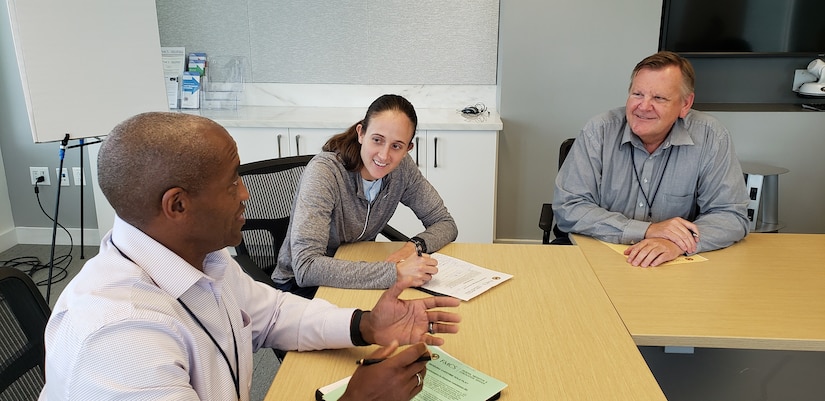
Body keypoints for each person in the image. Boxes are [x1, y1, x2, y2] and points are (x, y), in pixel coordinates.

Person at [39, 112, 461, 401]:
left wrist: (366, 324)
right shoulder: (116, 337)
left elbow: (274, 314)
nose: (246, 193)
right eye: (232, 182)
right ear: (177, 206)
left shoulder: (206, 260)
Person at [552, 51, 749, 267]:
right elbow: (569, 207)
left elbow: (730, 215)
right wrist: (647, 230)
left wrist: (679, 244)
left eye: (659, 98)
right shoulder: (598, 131)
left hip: (670, 264)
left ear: (685, 104)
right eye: (637, 94)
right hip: (596, 255)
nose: (644, 107)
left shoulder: (711, 136)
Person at [271, 94, 458, 298]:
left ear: (407, 149)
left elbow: (445, 223)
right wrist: (394, 273)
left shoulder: (403, 170)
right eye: (377, 140)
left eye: (397, 146)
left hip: (358, 271)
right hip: (299, 289)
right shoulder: (325, 172)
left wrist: (413, 247)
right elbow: (306, 267)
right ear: (361, 133)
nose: (384, 155)